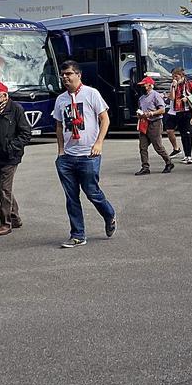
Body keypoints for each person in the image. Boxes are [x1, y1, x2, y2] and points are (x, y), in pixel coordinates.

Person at [53, 60, 116, 248]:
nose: (65, 77)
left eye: (69, 74)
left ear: (78, 75)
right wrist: (61, 151)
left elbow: (104, 119)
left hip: (88, 154)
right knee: (71, 197)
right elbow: (58, 125)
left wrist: (98, 143)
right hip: (68, 156)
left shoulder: (91, 94)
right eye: (63, 74)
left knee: (92, 192)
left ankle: (109, 214)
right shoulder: (61, 99)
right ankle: (78, 234)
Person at [0, 83, 33, 236]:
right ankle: (15, 217)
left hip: (9, 156)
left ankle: (6, 223)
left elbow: (25, 133)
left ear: (5, 95)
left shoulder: (15, 109)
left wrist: (11, 146)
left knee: (4, 189)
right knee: (0, 189)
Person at [134, 76, 174, 175]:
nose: (142, 87)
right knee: (142, 147)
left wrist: (152, 113)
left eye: (144, 85)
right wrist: (140, 115)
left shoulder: (156, 95)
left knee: (158, 146)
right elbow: (141, 109)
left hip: (155, 123)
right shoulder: (141, 98)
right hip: (144, 123)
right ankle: (145, 167)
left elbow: (162, 110)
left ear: (150, 85)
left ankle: (168, 162)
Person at [167, 67, 192, 164]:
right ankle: (185, 155)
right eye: (173, 76)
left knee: (188, 134)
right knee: (183, 134)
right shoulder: (174, 85)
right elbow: (172, 98)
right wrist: (173, 87)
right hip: (178, 111)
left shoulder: (190, 85)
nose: (174, 78)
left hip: (187, 111)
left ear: (182, 76)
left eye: (176, 76)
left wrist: (188, 98)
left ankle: (189, 155)